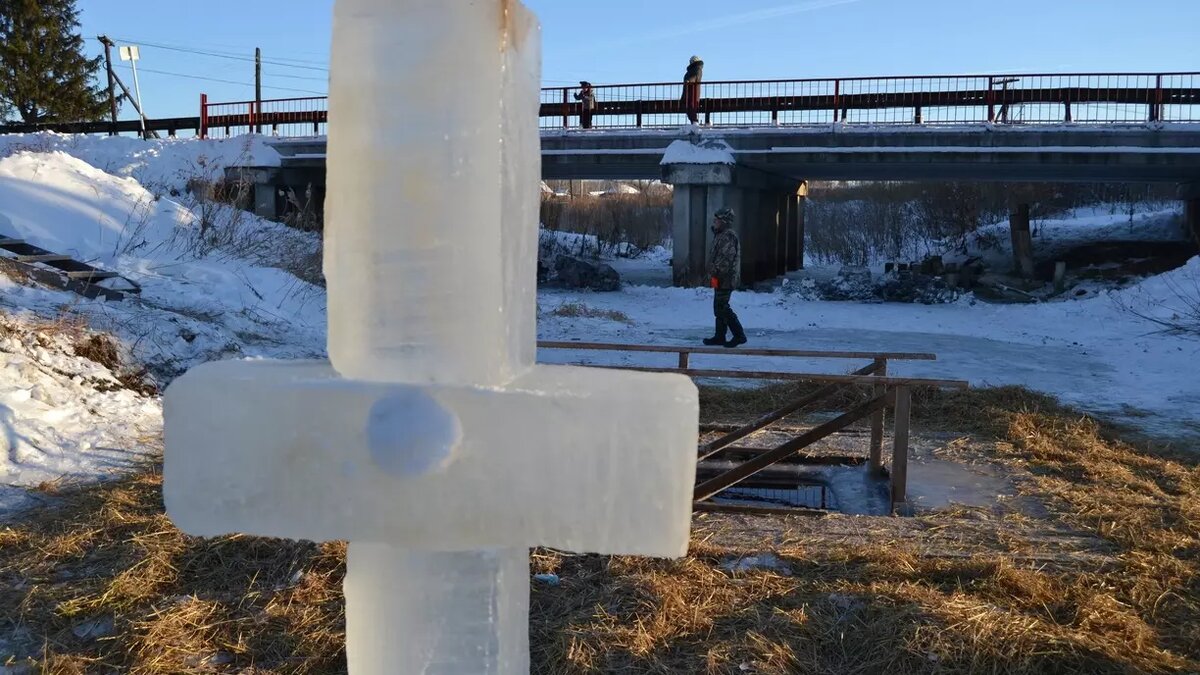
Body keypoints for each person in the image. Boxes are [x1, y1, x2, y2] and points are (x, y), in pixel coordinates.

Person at [704, 207, 747, 348]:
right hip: (720, 278)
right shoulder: (720, 235)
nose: (714, 221)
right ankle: (719, 336)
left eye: (718, 220)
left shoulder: (728, 236)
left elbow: (726, 259)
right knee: (718, 308)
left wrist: (715, 272)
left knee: (722, 307)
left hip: (726, 278)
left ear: (724, 222)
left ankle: (739, 335)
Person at [681, 56, 703, 125]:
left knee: (692, 107)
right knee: (688, 108)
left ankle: (695, 123)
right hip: (688, 92)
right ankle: (694, 123)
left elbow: (695, 77)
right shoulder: (691, 70)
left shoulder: (697, 69)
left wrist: (689, 81)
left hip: (693, 92)